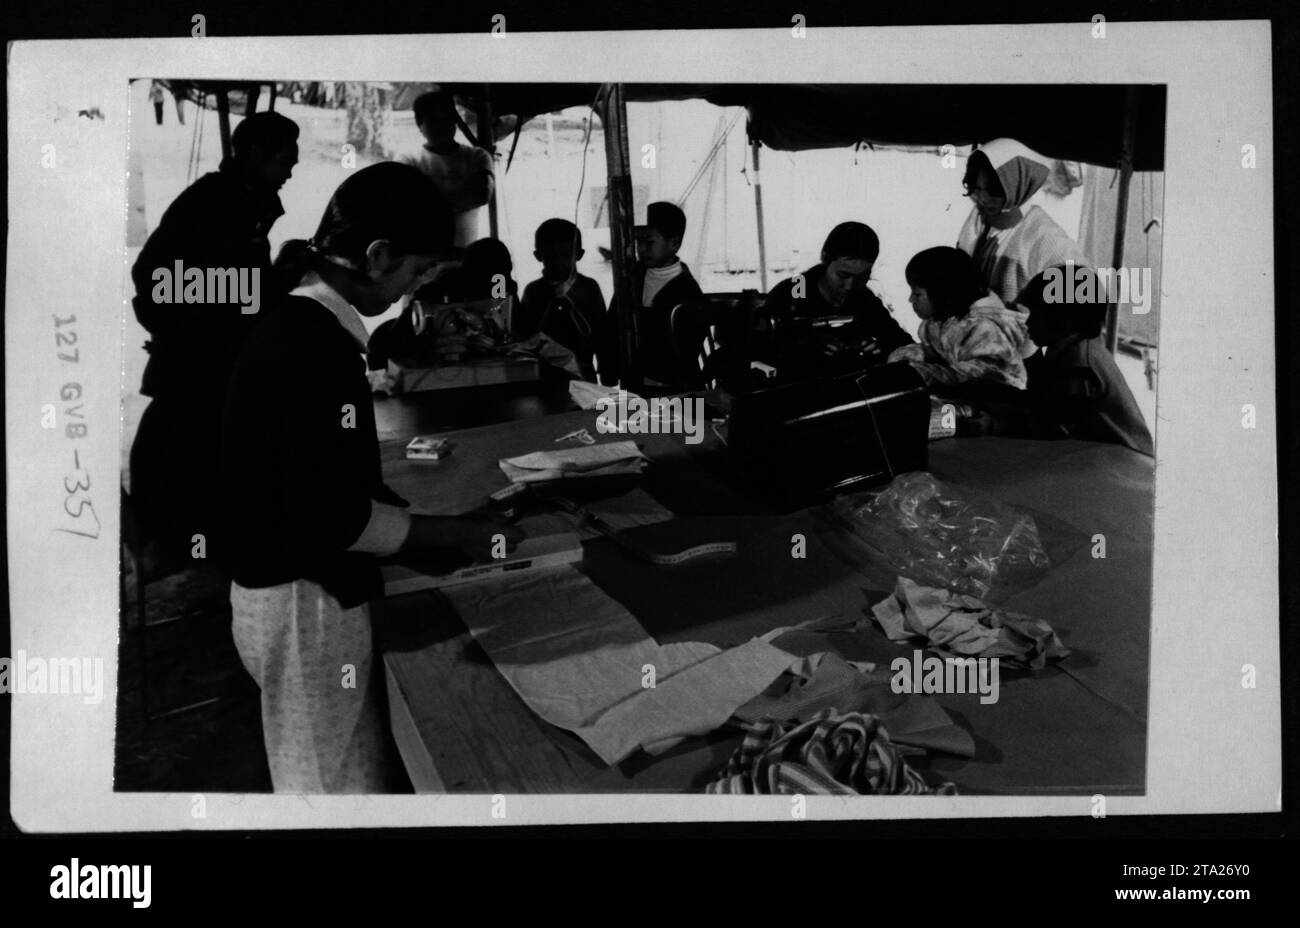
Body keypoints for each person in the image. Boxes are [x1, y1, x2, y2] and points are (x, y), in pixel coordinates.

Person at [222, 162, 524, 793]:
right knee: (326, 789)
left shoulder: (299, 325)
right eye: (413, 274)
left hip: (294, 593)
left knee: (348, 771)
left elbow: (321, 481)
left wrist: (424, 538)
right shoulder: (312, 345)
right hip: (305, 605)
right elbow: (328, 513)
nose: (411, 293)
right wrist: (443, 535)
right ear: (377, 255)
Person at [128, 110, 300, 572]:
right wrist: (254, 289)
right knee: (187, 467)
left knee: (220, 468)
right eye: (285, 159)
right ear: (255, 153)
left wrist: (272, 280)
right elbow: (153, 277)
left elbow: (241, 285)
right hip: (197, 366)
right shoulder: (210, 201)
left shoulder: (248, 200)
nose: (291, 171)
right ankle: (173, 552)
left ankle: (206, 558)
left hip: (217, 362)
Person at [982, 266, 1153, 455]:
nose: (1028, 323)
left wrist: (993, 424)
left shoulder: (1079, 363)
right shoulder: (1076, 347)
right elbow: (1045, 403)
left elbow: (1053, 428)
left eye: (1036, 315)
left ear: (1064, 321)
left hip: (1126, 466)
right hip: (1106, 459)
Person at [759, 221, 912, 380]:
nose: (850, 286)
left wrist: (879, 346)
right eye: (843, 275)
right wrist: (804, 345)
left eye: (862, 277)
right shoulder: (797, 288)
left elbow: (901, 342)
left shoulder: (863, 297)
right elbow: (762, 349)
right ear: (825, 258)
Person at [956, 137, 1093, 309]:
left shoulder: (1047, 240)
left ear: (1020, 184)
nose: (982, 199)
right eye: (976, 188)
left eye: (993, 190)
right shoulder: (979, 219)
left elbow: (1086, 300)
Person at [887, 246, 1031, 390]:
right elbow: (935, 353)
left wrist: (928, 373)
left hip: (1001, 398)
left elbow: (987, 374)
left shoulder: (982, 328)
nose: (911, 299)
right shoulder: (935, 324)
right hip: (965, 394)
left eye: (917, 294)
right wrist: (912, 356)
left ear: (941, 293)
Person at [600, 201, 703, 388]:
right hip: (634, 383)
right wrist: (609, 373)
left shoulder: (687, 291)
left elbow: (687, 350)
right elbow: (612, 325)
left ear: (674, 244)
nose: (641, 249)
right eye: (638, 241)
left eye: (649, 242)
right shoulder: (631, 278)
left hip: (674, 389)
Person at [398, 90, 494, 246]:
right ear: (420, 125)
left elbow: (480, 195)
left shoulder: (477, 157)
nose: (440, 126)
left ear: (455, 122)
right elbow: (406, 204)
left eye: (445, 119)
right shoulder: (408, 160)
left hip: (467, 252)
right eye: (432, 120)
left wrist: (428, 202)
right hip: (424, 256)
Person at [518, 218, 607, 381]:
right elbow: (527, 337)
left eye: (566, 256)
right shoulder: (533, 291)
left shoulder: (588, 287)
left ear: (579, 255)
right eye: (551, 257)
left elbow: (602, 333)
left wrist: (607, 371)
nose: (559, 263)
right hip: (544, 374)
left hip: (584, 372)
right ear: (538, 256)